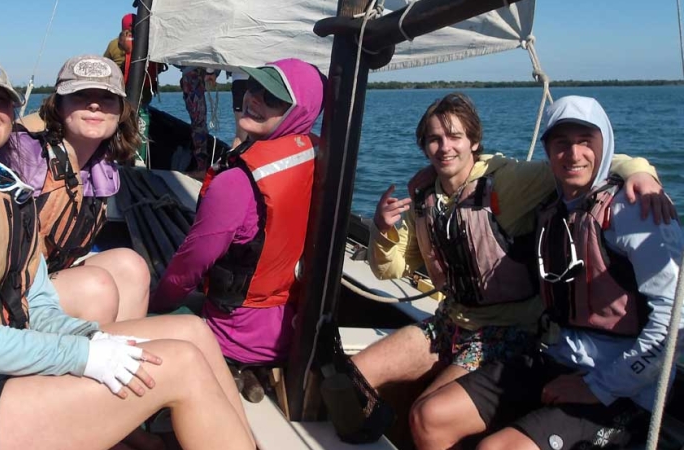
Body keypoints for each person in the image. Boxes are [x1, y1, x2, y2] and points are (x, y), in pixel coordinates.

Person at [0, 50, 254, 450]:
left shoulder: (3, 190)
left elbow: (37, 304)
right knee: (179, 367)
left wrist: (94, 339)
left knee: (190, 332)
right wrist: (81, 356)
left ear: (13, 108)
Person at [348, 93, 674, 447]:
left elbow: (591, 163)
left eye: (455, 137)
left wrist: (641, 171)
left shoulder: (509, 182)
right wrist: (384, 229)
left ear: (474, 141)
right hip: (451, 322)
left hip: (505, 331)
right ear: (424, 146)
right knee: (353, 376)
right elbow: (388, 269)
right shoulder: (426, 198)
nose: (445, 147)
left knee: (429, 413)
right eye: (434, 139)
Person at [150, 58, 324, 367]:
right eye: (251, 87)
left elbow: (190, 265)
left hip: (235, 335)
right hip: (292, 329)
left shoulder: (236, 182)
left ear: (298, 111)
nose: (254, 98)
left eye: (272, 97)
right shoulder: (319, 160)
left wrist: (155, 303)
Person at [0, 55, 150, 324]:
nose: (94, 104)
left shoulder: (102, 167)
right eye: (80, 95)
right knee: (95, 286)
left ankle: (127, 351)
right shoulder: (21, 154)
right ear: (58, 105)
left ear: (120, 111)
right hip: (4, 291)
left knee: (131, 266)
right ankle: (85, 360)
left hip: (50, 273)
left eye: (107, 97)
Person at [178, 66, 217, 172]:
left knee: (198, 123)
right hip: (192, 74)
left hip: (193, 74)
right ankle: (201, 166)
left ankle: (201, 168)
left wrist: (210, 71)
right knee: (198, 123)